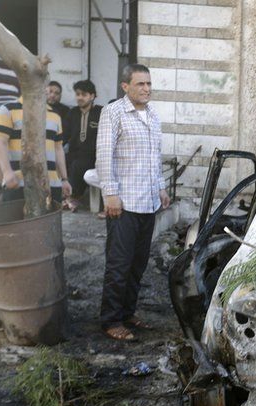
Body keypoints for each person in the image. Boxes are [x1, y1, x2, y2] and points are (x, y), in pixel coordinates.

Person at [96, 63, 169, 341]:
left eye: (149, 84)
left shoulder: (152, 115)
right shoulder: (113, 112)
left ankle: (127, 313)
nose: (146, 89)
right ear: (125, 86)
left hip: (148, 202)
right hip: (124, 203)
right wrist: (110, 194)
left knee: (138, 264)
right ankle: (111, 320)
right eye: (140, 84)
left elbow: (155, 157)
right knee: (119, 264)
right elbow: (104, 156)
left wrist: (161, 188)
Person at [0, 93, 71, 204]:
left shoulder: (54, 114)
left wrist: (64, 179)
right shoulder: (8, 109)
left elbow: (58, 148)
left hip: (52, 184)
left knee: (50, 221)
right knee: (18, 221)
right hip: (19, 182)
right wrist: (6, 172)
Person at [66, 79, 101, 210]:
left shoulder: (100, 113)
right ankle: (60, 198)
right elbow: (64, 136)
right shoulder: (72, 113)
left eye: (84, 94)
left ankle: (73, 197)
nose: (79, 97)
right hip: (74, 153)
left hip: (93, 156)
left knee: (78, 165)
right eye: (77, 94)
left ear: (92, 96)